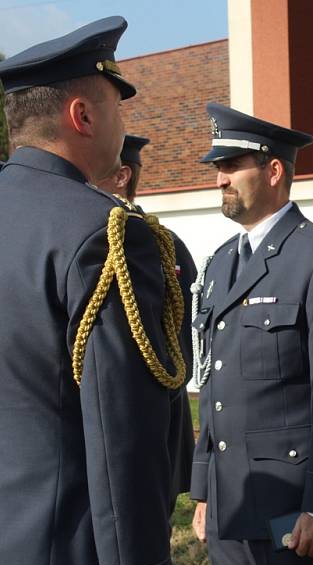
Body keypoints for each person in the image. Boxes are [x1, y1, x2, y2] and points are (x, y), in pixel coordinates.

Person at [0, 17, 183, 565]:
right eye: (117, 108)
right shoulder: (103, 235)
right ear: (82, 116)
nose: (122, 125)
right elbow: (123, 443)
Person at [189, 103, 313, 565]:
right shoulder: (222, 264)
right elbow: (215, 386)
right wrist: (205, 490)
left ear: (274, 171)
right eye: (217, 169)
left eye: (231, 167)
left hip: (293, 509)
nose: (220, 179)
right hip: (234, 502)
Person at [96, 134, 196, 514]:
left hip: (150, 428)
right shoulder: (93, 238)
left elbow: (179, 345)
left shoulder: (159, 244)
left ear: (122, 177)